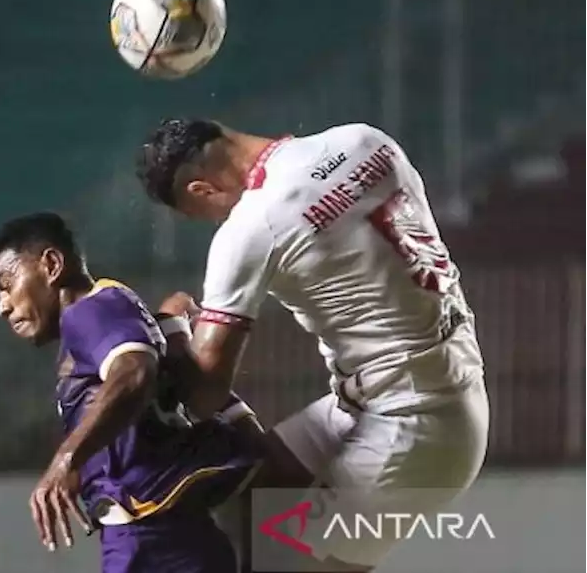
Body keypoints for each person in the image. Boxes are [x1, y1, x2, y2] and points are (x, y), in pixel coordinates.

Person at [135, 119, 489, 571]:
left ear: (203, 190)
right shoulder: (365, 139)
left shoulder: (253, 225)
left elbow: (204, 392)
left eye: (200, 214)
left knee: (280, 563)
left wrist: (171, 325)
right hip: (418, 395)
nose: (215, 221)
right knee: (240, 500)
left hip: (411, 426)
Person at [0, 211, 263, 573]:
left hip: (150, 538)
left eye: (6, 284)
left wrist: (67, 459)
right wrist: (174, 328)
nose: (2, 306)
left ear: (52, 265)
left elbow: (133, 371)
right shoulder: (108, 312)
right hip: (166, 534)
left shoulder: (88, 311)